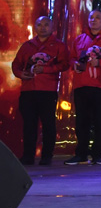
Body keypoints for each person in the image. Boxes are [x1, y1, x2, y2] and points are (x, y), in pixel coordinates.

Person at [13, 15, 69, 165]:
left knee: (48, 124)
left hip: (47, 90)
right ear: (35, 27)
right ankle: (28, 156)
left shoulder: (59, 46)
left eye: (46, 25)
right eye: (39, 25)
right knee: (29, 124)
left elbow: (64, 64)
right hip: (28, 90)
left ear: (51, 27)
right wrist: (21, 74)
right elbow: (16, 64)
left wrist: (46, 69)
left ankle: (46, 156)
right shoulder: (27, 46)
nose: (42, 28)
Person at [65, 10, 101, 165]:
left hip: (100, 85)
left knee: (99, 120)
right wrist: (75, 64)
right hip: (81, 84)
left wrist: (100, 63)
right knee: (82, 121)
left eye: (97, 18)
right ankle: (81, 154)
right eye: (91, 18)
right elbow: (71, 58)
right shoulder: (80, 39)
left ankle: (97, 154)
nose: (93, 20)